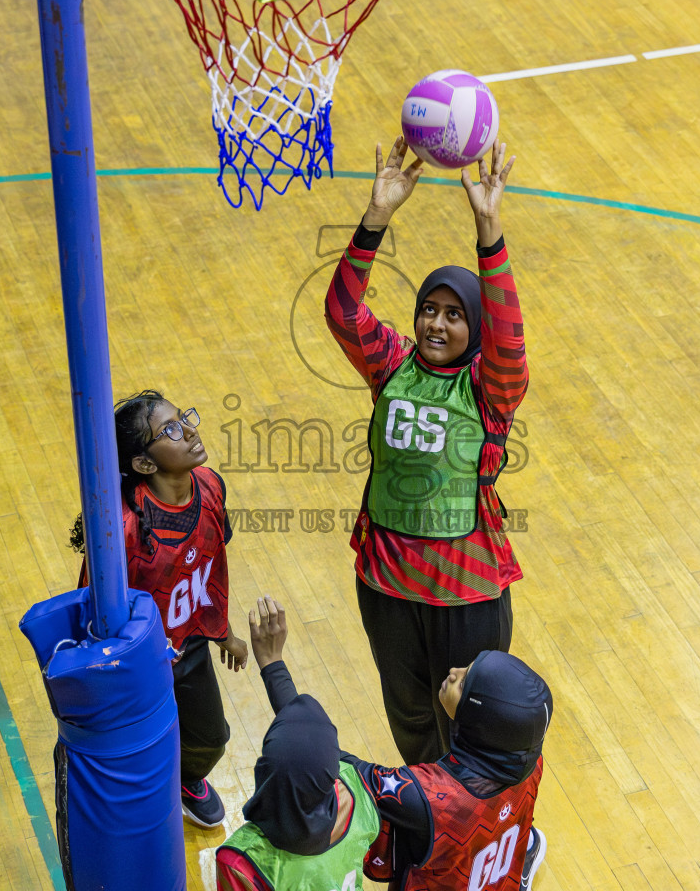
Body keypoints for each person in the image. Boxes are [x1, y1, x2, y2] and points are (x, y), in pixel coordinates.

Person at [323, 135, 528, 766]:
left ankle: (501, 837)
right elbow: (341, 310)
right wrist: (376, 216)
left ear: (476, 327)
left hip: (466, 594)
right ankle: (434, 826)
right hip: (386, 585)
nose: (436, 324)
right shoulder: (392, 364)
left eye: (453, 316)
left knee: (476, 731)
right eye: (427, 310)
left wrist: (488, 229)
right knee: (410, 720)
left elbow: (510, 336)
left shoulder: (490, 386)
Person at [227, 597, 551, 891]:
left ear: (484, 723)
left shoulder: (428, 797)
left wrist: (272, 665)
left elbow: (311, 751)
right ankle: (518, 860)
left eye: (465, 681)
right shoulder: (528, 755)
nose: (453, 671)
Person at [68, 391, 247, 828]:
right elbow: (91, 610)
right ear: (145, 464)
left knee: (212, 739)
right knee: (139, 747)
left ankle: (186, 780)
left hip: (190, 647)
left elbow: (210, 566)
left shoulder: (211, 485)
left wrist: (221, 631)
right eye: (169, 430)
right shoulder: (122, 530)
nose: (188, 430)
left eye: (184, 417)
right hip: (142, 661)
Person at [215, 596, 383, 891]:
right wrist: (273, 664)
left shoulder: (240, 860)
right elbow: (310, 753)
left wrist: (271, 663)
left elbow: (302, 755)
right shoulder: (362, 798)